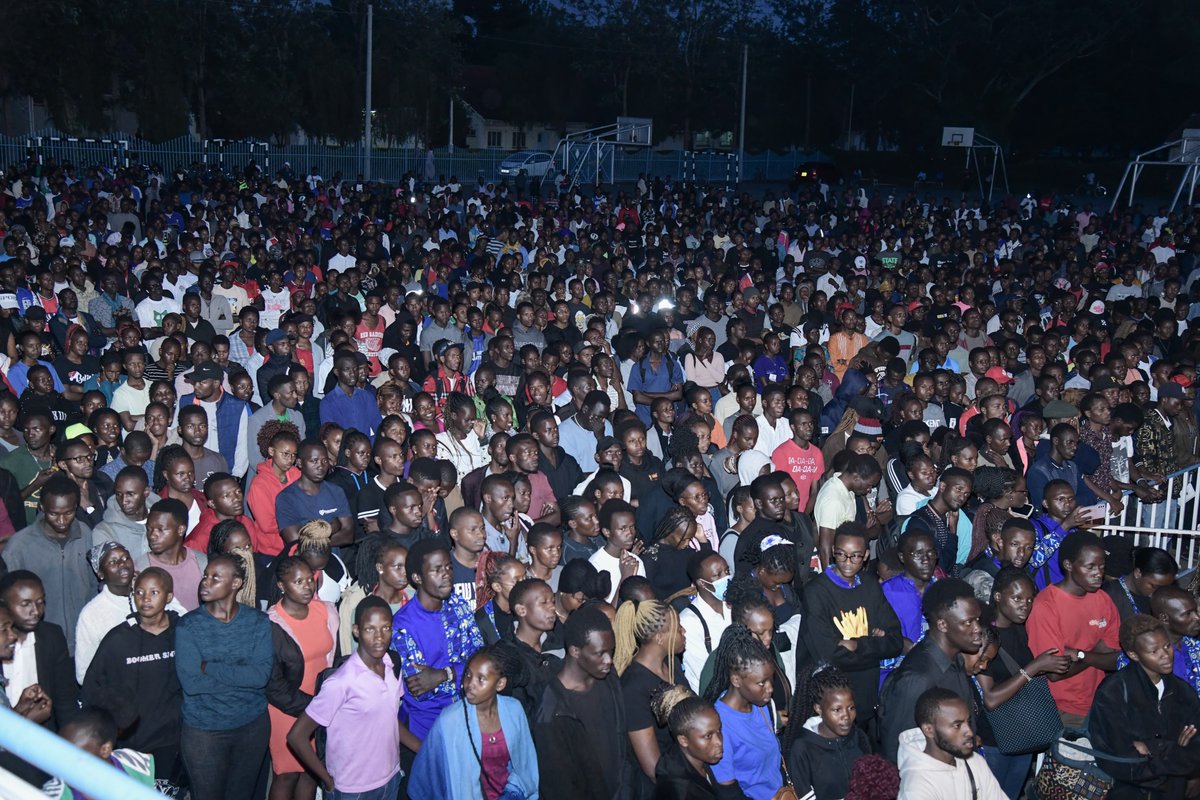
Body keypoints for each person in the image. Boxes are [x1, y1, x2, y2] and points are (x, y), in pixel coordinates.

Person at [288, 596, 420, 800]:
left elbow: (389, 718)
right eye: (370, 629)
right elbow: (296, 736)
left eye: (386, 628)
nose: (379, 637)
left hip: (390, 777)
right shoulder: (342, 681)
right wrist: (327, 781)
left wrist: (424, 748)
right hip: (352, 788)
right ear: (356, 631)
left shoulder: (391, 666)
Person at [175, 553, 275, 800]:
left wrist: (209, 667)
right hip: (205, 733)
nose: (205, 582)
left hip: (251, 728)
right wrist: (243, 679)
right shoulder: (188, 626)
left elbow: (260, 676)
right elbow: (192, 683)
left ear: (236, 583)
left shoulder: (258, 622)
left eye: (215, 578)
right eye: (206, 576)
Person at [81, 567, 185, 789]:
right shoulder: (118, 639)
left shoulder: (183, 634)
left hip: (171, 742)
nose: (145, 599)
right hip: (129, 744)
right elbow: (92, 690)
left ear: (169, 597)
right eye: (139, 592)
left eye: (154, 592)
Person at [794, 523, 902, 731]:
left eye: (856, 556)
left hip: (866, 699)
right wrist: (875, 645)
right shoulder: (816, 592)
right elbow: (828, 655)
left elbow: (895, 641)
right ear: (834, 553)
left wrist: (856, 645)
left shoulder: (870, 585)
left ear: (866, 556)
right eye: (842, 555)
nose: (848, 562)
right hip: (831, 706)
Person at [409, 643, 541, 800]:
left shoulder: (514, 710)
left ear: (500, 684)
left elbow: (525, 765)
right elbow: (425, 779)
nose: (469, 685)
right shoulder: (449, 720)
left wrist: (511, 793)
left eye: (481, 679)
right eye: (468, 675)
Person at [1089, 615, 1200, 800]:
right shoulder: (1113, 692)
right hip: (1127, 793)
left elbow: (1196, 751)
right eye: (1154, 651)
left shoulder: (1183, 691)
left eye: (1166, 646)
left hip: (1173, 792)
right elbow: (1118, 758)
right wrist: (1175, 750)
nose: (1165, 655)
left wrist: (1151, 748)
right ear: (1133, 655)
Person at [532, 604, 632, 800]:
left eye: (611, 651)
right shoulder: (552, 713)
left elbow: (623, 749)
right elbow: (559, 788)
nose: (608, 660)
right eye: (599, 653)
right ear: (575, 651)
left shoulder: (609, 680)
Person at [879, 578, 984, 762]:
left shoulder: (956, 659)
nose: (977, 629)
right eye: (968, 623)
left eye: (977, 620)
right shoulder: (918, 678)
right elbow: (896, 750)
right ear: (942, 625)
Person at [391, 537, 485, 740]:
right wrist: (465, 673)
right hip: (429, 726)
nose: (447, 575)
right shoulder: (402, 626)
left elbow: (481, 658)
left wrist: (445, 674)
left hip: (469, 711)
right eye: (437, 570)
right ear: (417, 577)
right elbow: (421, 689)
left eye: (449, 567)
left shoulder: (458, 605)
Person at [1026, 530, 1120, 728]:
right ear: (1069, 565)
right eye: (1090, 567)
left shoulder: (1102, 599)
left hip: (1099, 701)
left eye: (1102, 566)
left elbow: (1116, 660)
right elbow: (1055, 673)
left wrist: (1080, 654)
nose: (1098, 573)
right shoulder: (1046, 606)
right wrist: (1098, 652)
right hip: (1063, 708)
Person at [266, 556, 338, 800]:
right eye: (298, 581)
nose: (307, 586)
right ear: (281, 586)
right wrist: (314, 706)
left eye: (310, 580)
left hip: (322, 704)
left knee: (311, 772)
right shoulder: (270, 623)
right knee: (286, 775)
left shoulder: (326, 611)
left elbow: (333, 659)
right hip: (286, 709)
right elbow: (273, 685)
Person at [2, 474, 95, 647]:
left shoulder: (85, 533)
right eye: (54, 514)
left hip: (82, 636)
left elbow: (92, 584)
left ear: (76, 507)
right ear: (42, 508)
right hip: (39, 642)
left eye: (68, 513)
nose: (61, 521)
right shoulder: (19, 546)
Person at [614, 597, 687, 791]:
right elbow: (653, 767)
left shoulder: (673, 666)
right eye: (678, 628)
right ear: (659, 638)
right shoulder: (633, 687)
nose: (683, 632)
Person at [703, 625, 784, 800]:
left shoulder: (762, 705)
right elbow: (728, 791)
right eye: (761, 683)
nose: (770, 689)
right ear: (736, 680)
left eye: (771, 679)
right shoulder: (719, 724)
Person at [0, 570, 79, 732]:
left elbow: (66, 703)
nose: (35, 611)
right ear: (3, 604)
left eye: (40, 602)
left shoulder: (52, 637)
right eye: (25, 604)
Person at [896, 688, 1007, 799]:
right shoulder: (916, 789)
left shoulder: (975, 762)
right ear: (929, 730)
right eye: (957, 725)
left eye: (968, 722)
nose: (969, 732)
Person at [783, 664, 873, 800]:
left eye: (851, 708)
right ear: (819, 709)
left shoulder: (859, 737)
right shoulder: (803, 748)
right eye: (837, 710)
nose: (846, 717)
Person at [651, 685, 749, 800]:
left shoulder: (696, 758)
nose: (719, 742)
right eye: (708, 736)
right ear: (683, 740)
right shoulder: (683, 791)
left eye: (719, 731)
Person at [41, 708, 157, 798]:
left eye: (74, 755)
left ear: (105, 749)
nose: (64, 764)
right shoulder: (55, 794)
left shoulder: (138, 768)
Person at [680, 550, 733, 694]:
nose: (726, 577)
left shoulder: (735, 606)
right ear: (702, 583)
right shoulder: (689, 622)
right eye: (718, 575)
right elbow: (704, 673)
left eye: (727, 571)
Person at [92, 466, 152, 562]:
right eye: (119, 494)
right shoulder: (105, 531)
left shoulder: (163, 519)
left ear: (146, 492)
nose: (124, 501)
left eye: (130, 494)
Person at [590, 498, 645, 603]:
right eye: (622, 528)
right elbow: (606, 615)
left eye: (632, 526)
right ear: (607, 532)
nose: (630, 533)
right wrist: (625, 577)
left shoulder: (635, 561)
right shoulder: (595, 565)